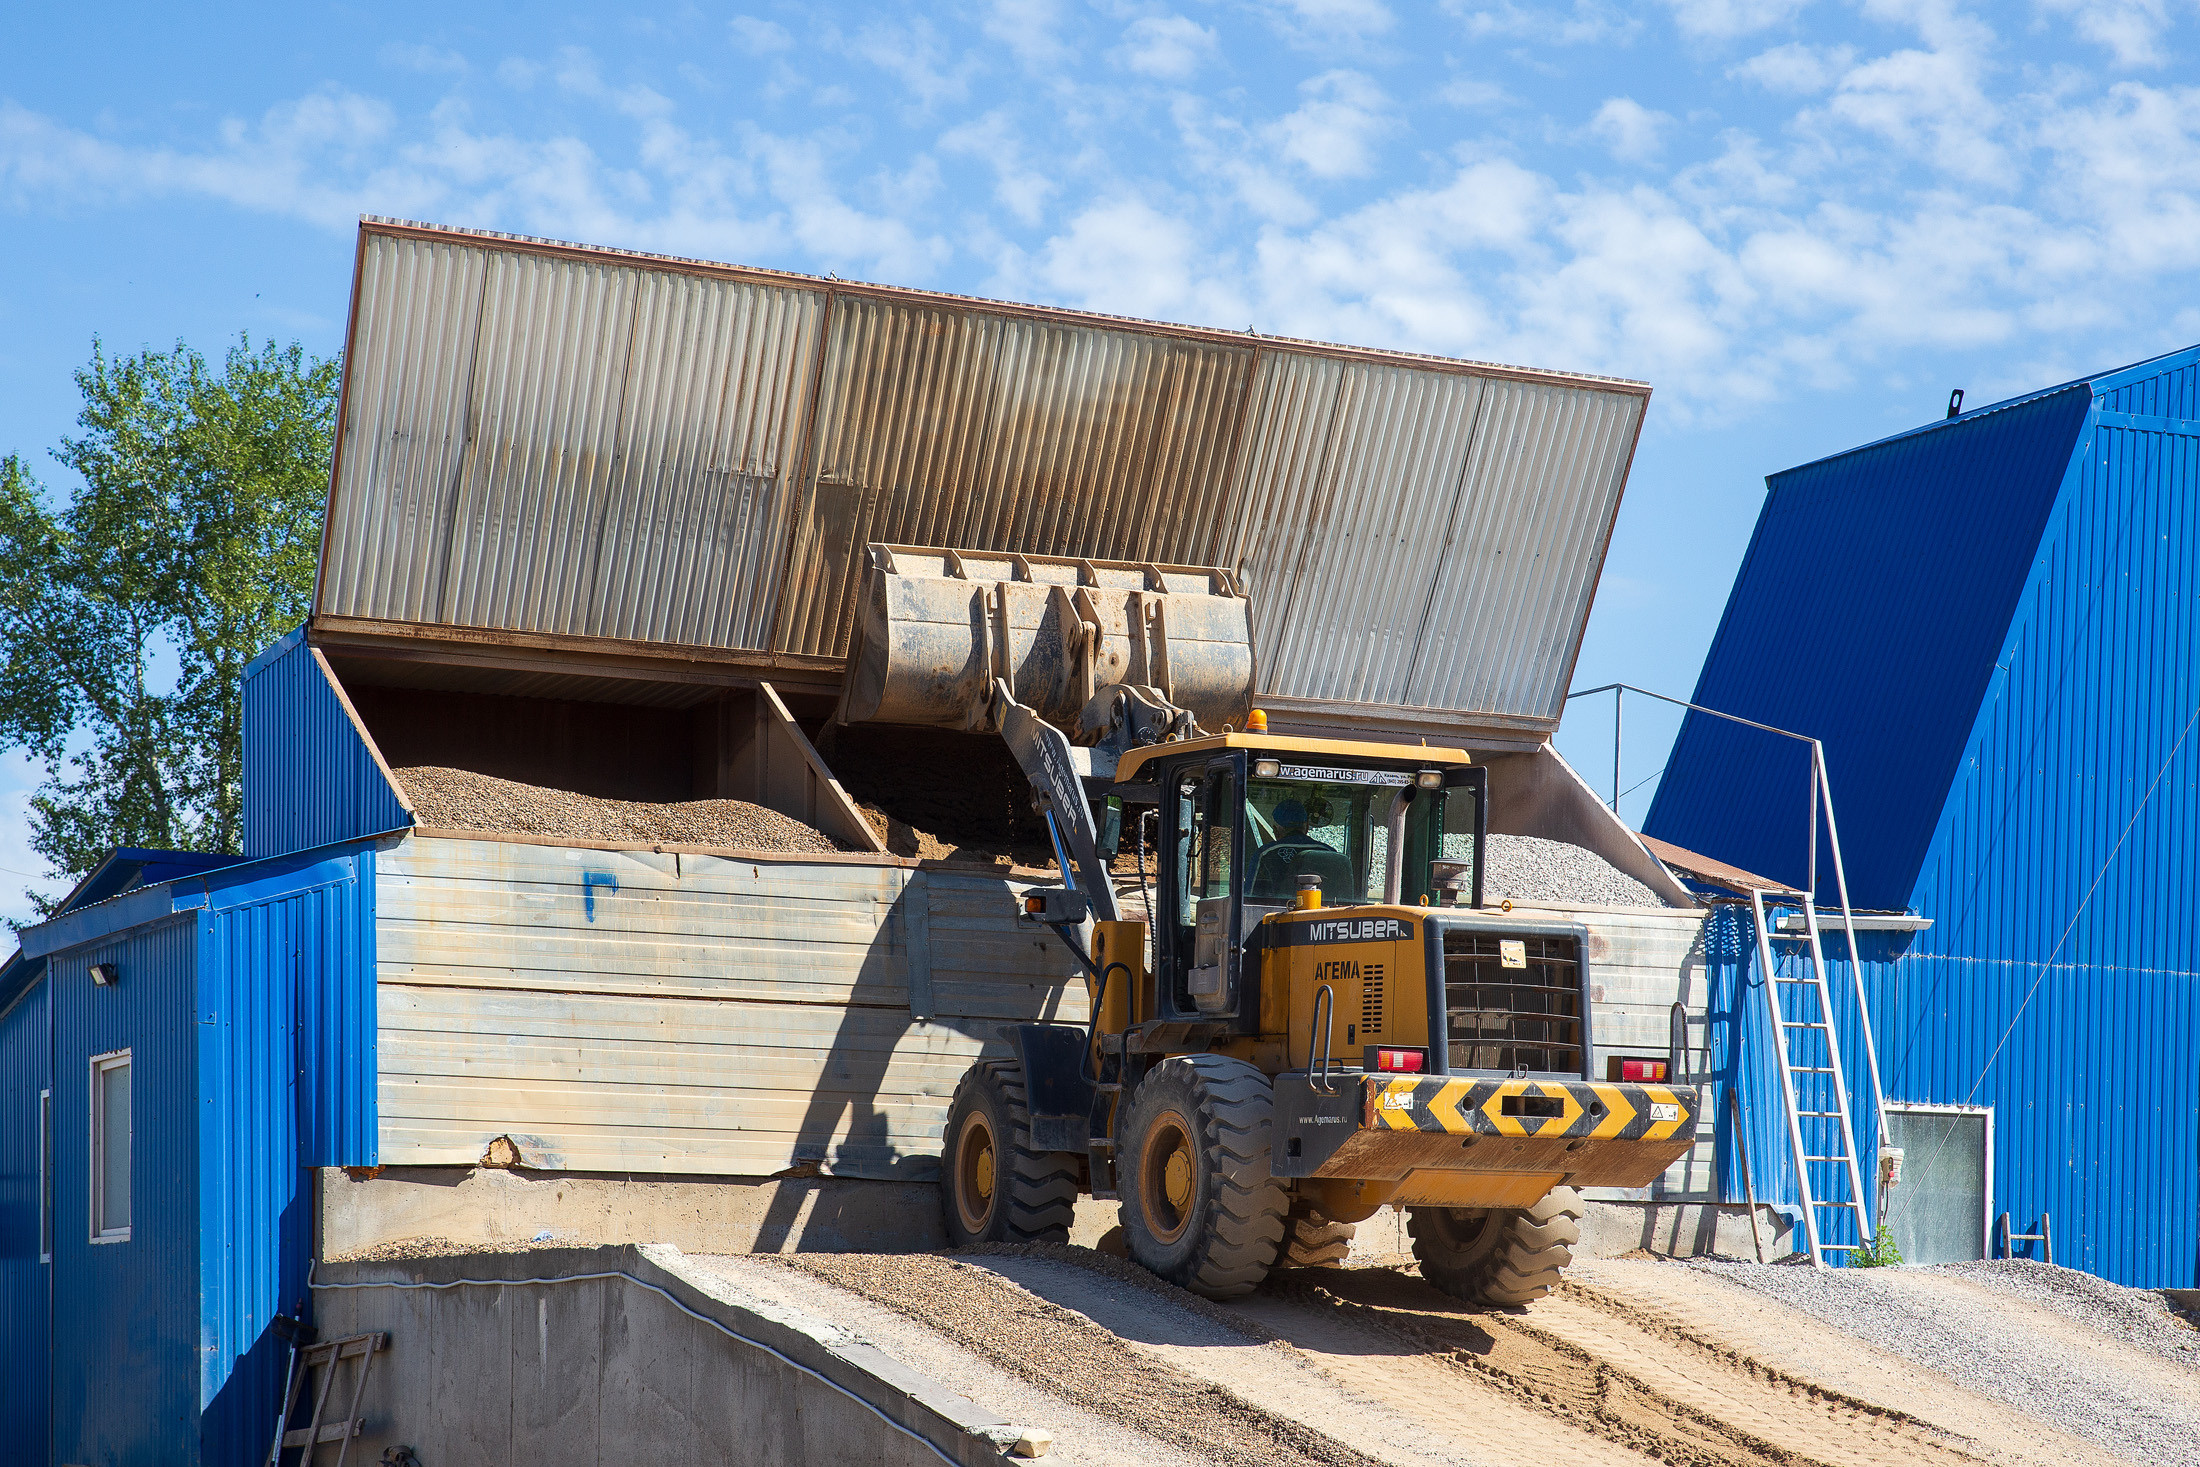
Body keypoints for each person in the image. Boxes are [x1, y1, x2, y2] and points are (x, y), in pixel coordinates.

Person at [1251, 798, 1353, 898]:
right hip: (1326, 913)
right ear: (1307, 827)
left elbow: (1250, 894)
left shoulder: (1264, 854)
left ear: (1276, 831)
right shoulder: (1330, 854)